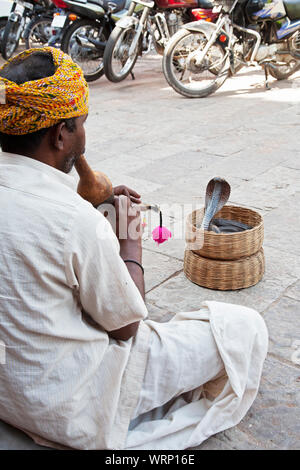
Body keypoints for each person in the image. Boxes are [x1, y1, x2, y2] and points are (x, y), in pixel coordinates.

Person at [0, 47, 268, 451]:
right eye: (81, 125)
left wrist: (88, 209)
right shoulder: (75, 221)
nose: (84, 136)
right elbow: (125, 326)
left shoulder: (72, 214)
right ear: (60, 135)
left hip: (10, 389)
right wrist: (129, 240)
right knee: (244, 327)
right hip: (71, 400)